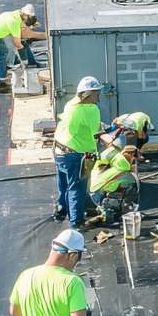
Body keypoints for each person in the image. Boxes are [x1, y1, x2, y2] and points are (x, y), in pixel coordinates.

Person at [53, 77, 102, 229]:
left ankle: (61, 210)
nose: (98, 96)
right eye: (96, 93)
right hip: (73, 154)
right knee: (77, 187)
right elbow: (97, 133)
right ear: (88, 94)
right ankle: (76, 223)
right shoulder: (91, 110)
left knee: (63, 184)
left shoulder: (71, 104)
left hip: (58, 150)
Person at [0, 3, 46, 93]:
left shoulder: (14, 15)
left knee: (20, 44)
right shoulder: (14, 22)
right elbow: (18, 45)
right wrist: (24, 62)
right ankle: (0, 84)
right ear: (23, 15)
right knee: (2, 55)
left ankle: (31, 63)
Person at [87, 144, 141, 226]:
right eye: (133, 157)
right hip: (98, 193)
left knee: (124, 182)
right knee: (131, 184)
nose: (132, 160)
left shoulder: (111, 158)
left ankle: (106, 209)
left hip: (94, 191)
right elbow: (130, 173)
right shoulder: (123, 165)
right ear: (129, 155)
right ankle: (108, 211)